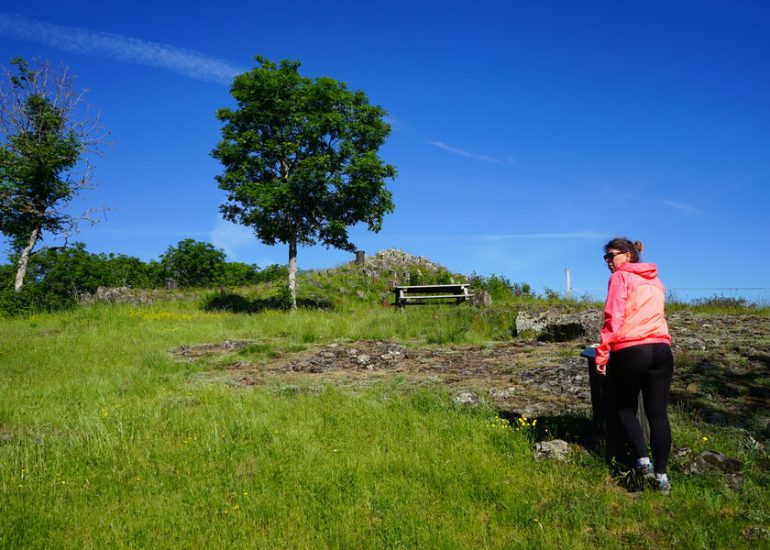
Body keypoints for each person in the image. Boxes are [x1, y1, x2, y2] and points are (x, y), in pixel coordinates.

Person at [594, 238, 673, 494]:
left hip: (632, 348)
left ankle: (642, 462)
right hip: (661, 349)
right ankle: (662, 478)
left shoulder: (620, 277)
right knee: (658, 414)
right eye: (605, 257)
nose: (608, 261)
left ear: (627, 255)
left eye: (611, 256)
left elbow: (613, 317)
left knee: (623, 406)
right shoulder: (654, 280)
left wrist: (602, 353)